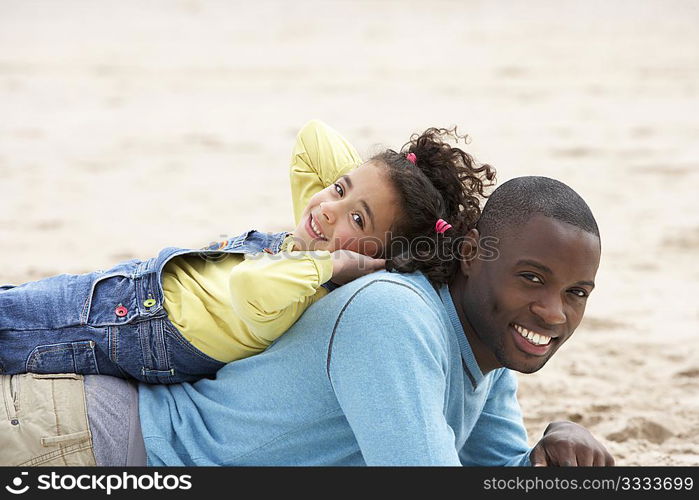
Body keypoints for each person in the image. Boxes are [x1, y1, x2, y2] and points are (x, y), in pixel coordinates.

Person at [0, 175, 614, 467]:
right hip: (79, 442)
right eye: (532, 278)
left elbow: (494, 475)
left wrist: (555, 447)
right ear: (474, 252)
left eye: (577, 293)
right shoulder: (395, 319)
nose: (554, 313)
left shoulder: (489, 350)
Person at [0, 120, 494, 384]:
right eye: (338, 188)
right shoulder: (316, 237)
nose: (328, 208)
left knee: (11, 324)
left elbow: (248, 284)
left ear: (379, 257)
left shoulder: (302, 283)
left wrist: (340, 261)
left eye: (357, 219)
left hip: (124, 322)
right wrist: (378, 184)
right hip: (130, 299)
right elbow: (312, 139)